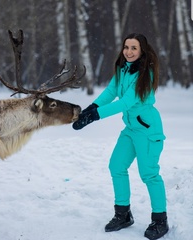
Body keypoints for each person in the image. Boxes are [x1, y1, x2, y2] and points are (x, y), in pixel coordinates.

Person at [73, 33, 169, 240]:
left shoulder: (146, 72)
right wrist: (90, 109)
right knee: (116, 166)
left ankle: (160, 220)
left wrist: (94, 117)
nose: (129, 52)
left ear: (142, 50)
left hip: (148, 130)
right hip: (131, 129)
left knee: (149, 174)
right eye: (126, 47)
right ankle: (123, 215)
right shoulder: (123, 68)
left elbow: (126, 102)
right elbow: (111, 91)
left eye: (134, 48)